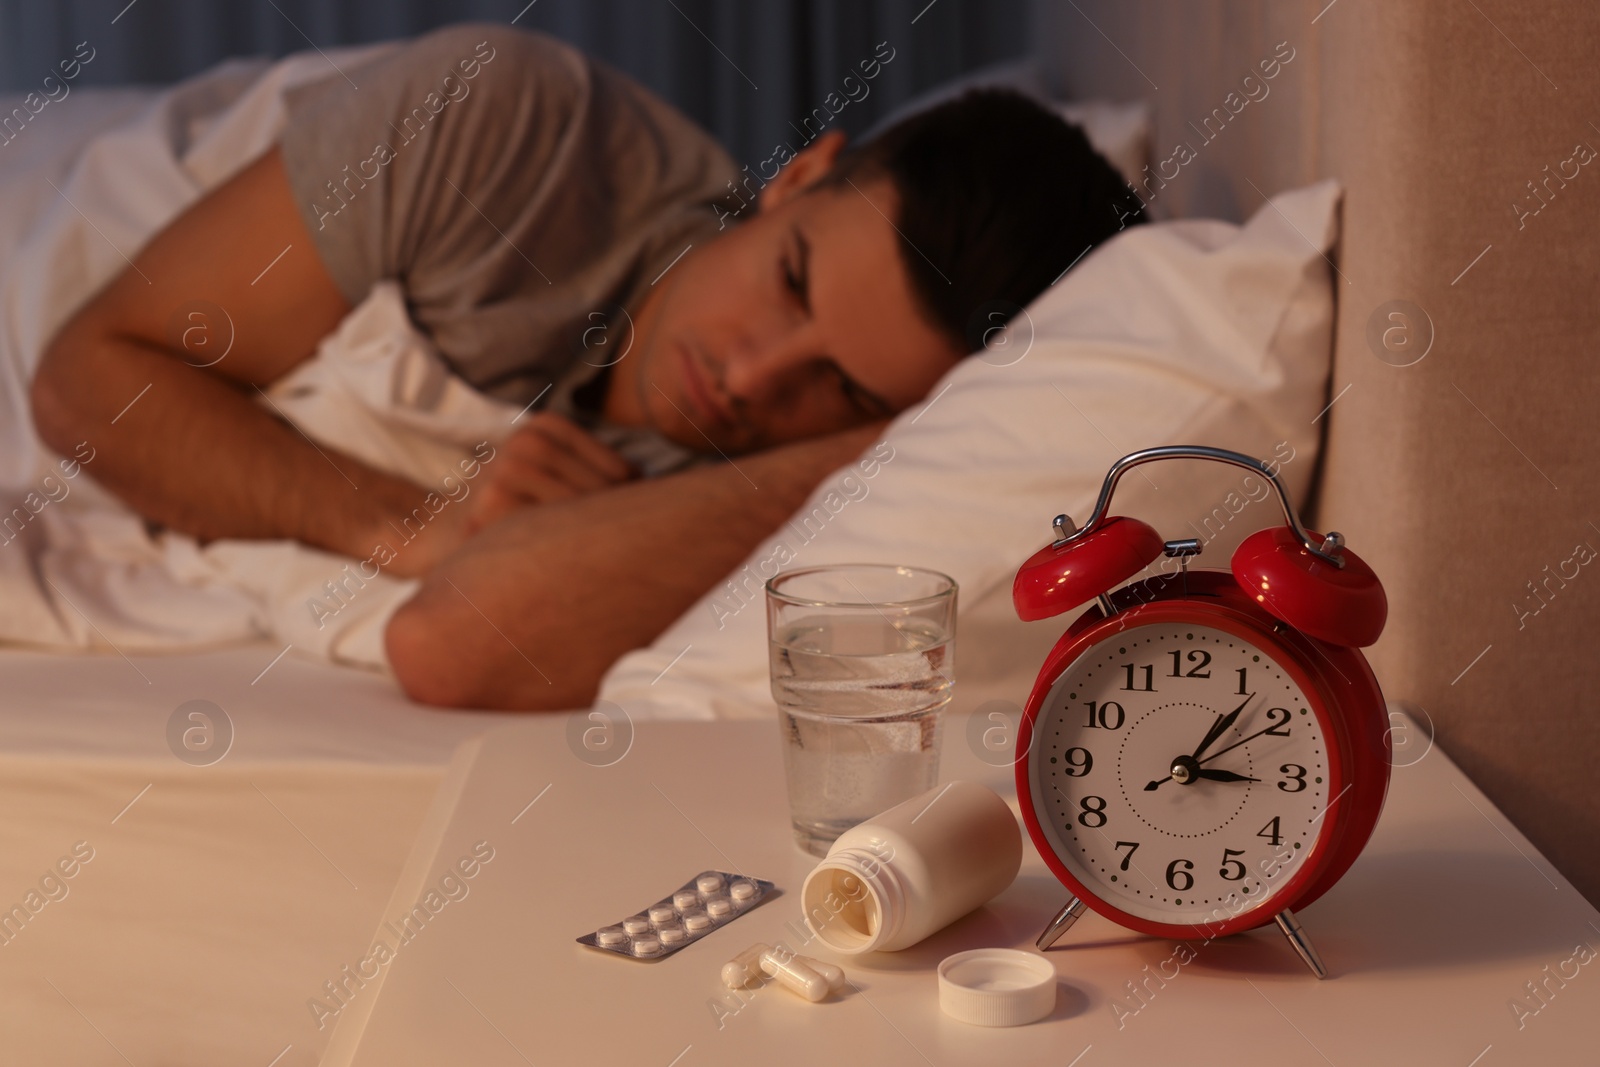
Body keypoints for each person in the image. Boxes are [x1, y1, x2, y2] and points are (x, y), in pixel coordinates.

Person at [28, 25, 1141, 710]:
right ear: (799, 174)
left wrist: (893, 442)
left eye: (845, 389)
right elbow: (90, 377)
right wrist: (411, 524)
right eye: (792, 282)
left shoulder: (762, 472)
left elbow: (459, 643)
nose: (755, 379)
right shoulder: (512, 129)